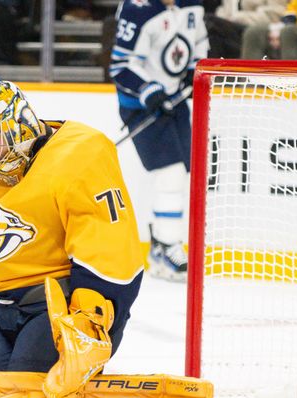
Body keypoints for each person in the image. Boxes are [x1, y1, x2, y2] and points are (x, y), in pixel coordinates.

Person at [0, 75, 144, 396]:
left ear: (21, 124)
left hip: (55, 303)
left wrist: (89, 320)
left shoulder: (81, 152)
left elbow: (111, 248)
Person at [109, 0, 208, 282]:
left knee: (181, 174)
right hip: (141, 105)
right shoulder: (137, 9)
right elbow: (121, 65)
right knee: (171, 172)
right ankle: (166, 246)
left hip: (174, 102)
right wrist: (149, 91)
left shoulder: (192, 6)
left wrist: (194, 72)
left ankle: (161, 246)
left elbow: (198, 42)